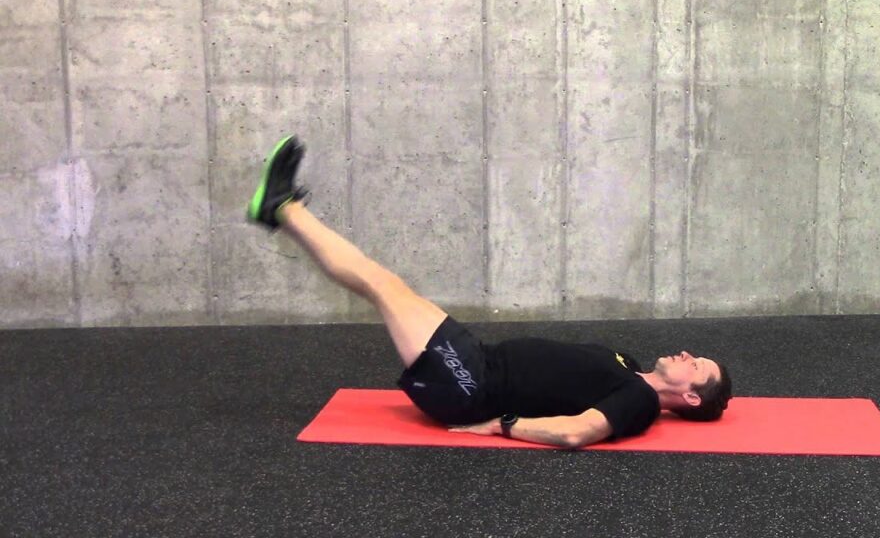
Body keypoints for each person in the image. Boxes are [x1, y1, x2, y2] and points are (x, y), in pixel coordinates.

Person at [247, 135, 732, 449]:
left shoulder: (640, 401)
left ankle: (283, 209)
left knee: (380, 284)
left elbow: (576, 432)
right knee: (386, 284)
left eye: (697, 366)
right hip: (478, 360)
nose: (687, 355)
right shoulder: (628, 365)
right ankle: (282, 209)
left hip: (471, 386)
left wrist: (503, 425)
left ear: (690, 398)